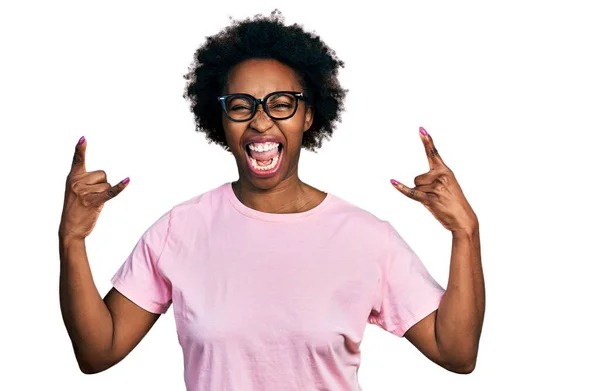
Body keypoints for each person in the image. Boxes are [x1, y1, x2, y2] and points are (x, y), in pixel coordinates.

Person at [58, 10, 484, 391]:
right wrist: (72, 240)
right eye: (241, 106)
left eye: (281, 104)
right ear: (221, 119)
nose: (261, 121)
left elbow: (457, 352)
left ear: (308, 115)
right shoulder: (180, 230)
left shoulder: (367, 238)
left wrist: (466, 232)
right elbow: (98, 353)